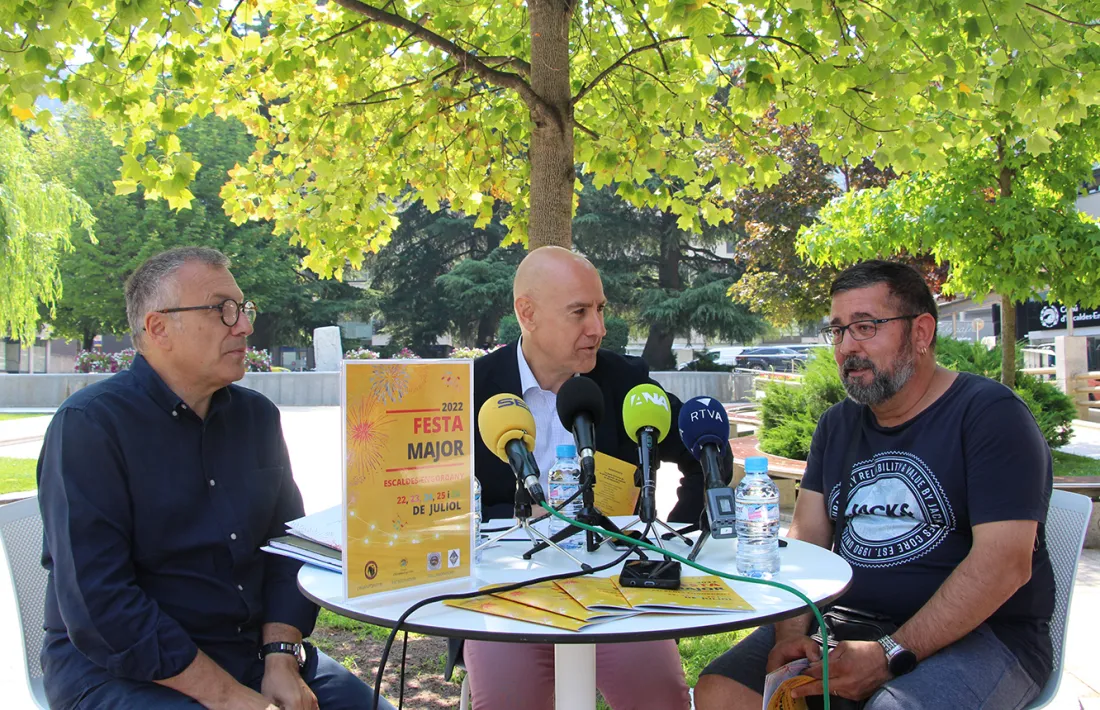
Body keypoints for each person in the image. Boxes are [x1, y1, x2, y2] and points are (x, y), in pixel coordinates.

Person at [37, 247, 393, 710]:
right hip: (122, 672)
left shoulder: (257, 418)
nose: (244, 325)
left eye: (243, 309)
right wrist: (227, 697)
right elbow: (99, 603)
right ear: (158, 328)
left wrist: (282, 657)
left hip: (255, 657)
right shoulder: (90, 427)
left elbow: (287, 551)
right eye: (221, 310)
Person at [695, 260, 1054, 710]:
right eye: (838, 330)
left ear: (921, 333)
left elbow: (1004, 564)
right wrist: (789, 633)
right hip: (841, 621)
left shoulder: (990, 416)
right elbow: (807, 538)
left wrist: (890, 653)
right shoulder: (837, 425)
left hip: (983, 636)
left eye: (865, 327)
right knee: (720, 691)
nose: (846, 347)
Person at [461, 246, 707, 709]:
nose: (597, 328)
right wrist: (520, 517)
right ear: (527, 313)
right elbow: (439, 504)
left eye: (600, 309)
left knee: (662, 700)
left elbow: (705, 450)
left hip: (619, 592)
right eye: (579, 312)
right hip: (506, 594)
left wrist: (671, 536)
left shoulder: (624, 381)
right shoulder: (469, 390)